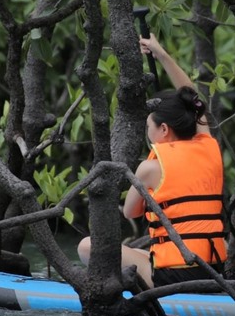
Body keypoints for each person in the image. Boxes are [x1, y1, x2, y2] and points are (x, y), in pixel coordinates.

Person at [77, 34, 227, 288]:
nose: (147, 133)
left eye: (149, 126)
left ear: (164, 129)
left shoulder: (149, 168)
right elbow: (195, 100)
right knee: (149, 254)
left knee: (86, 246)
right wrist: (161, 54)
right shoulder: (208, 145)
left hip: (176, 275)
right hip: (213, 268)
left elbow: (129, 212)